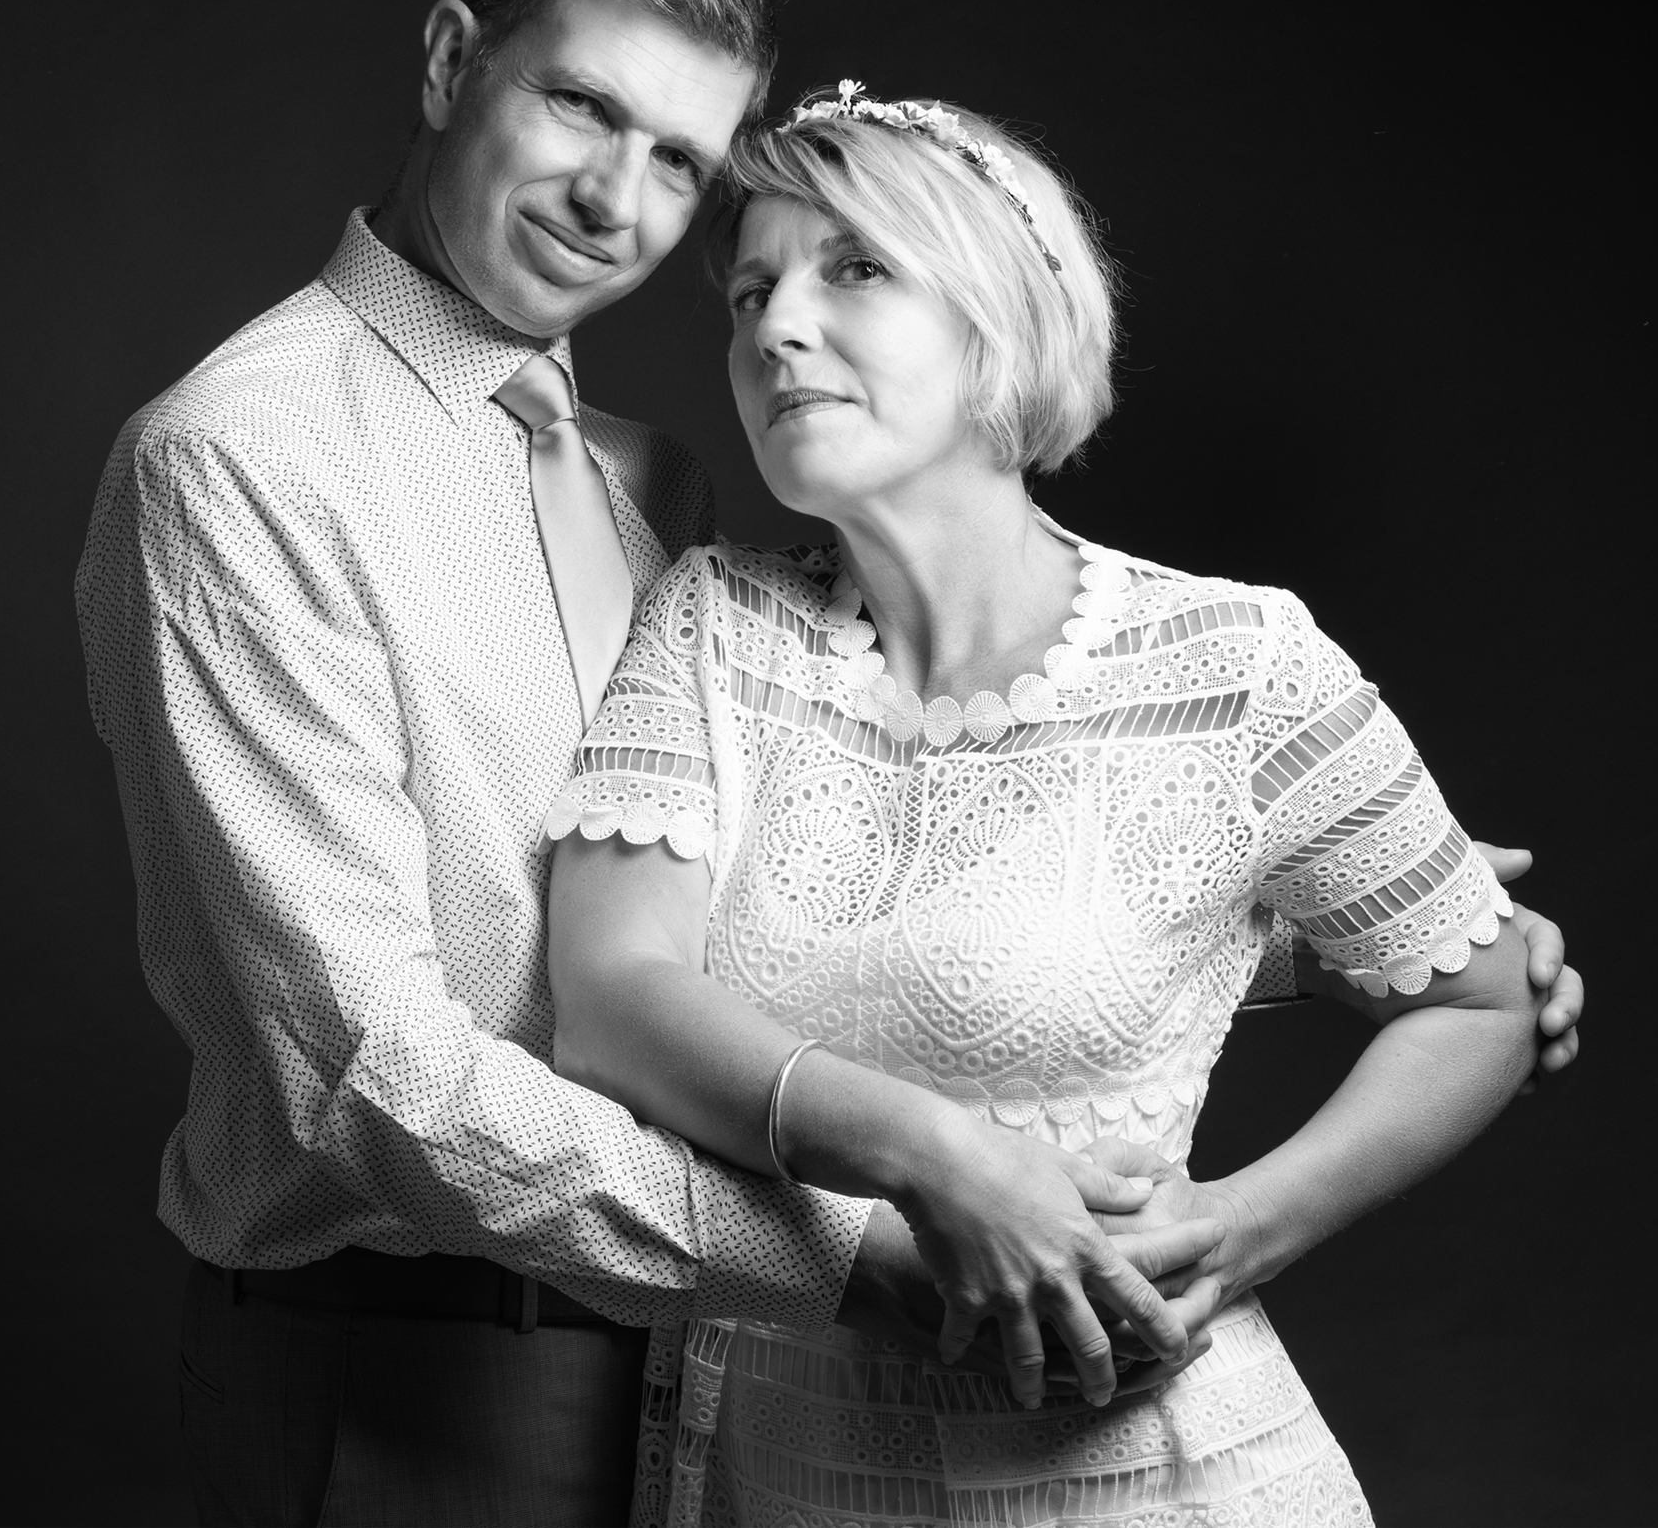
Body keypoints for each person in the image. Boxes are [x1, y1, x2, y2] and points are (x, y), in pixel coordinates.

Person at [76, 0, 1581, 1528]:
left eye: (678, 163)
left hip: (699, 1377)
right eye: (582, 104)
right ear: (449, 67)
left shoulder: (653, 490)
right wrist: (880, 1239)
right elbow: (367, 1062)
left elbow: (778, 884)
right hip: (429, 1363)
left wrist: (1307, 931)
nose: (618, 201)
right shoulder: (248, 461)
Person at [545, 84, 1569, 1526]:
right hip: (780, 1471)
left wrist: (1237, 1228)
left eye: (855, 269)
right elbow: (608, 995)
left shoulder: (1238, 661)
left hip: (1161, 1476)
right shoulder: (712, 622)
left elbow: (1483, 999)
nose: (774, 327)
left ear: (1001, 323)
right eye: (753, 289)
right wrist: (940, 1156)